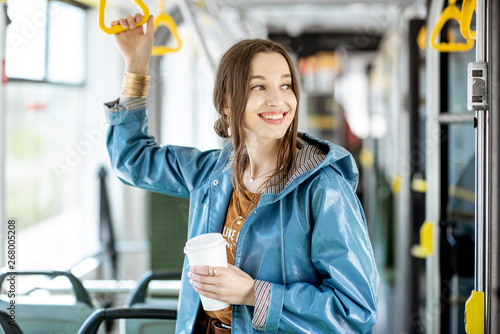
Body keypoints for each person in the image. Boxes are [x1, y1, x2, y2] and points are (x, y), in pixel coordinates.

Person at [105, 13, 379, 334]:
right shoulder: (212, 172)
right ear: (226, 102)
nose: (278, 100)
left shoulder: (323, 189)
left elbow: (354, 312)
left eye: (286, 85)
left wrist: (252, 294)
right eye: (259, 86)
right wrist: (136, 65)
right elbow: (132, 159)